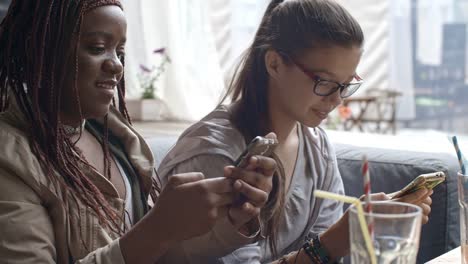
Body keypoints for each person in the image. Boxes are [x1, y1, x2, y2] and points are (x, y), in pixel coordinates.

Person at [0, 0, 276, 263]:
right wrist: (157, 230)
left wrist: (231, 219)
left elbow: (159, 254)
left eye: (120, 52)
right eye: (98, 48)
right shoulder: (10, 161)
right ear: (42, 50)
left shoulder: (117, 139)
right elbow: (148, 242)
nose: (117, 65)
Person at [158, 0, 433, 263]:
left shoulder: (317, 146)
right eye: (325, 82)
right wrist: (338, 239)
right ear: (275, 64)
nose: (337, 99)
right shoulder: (215, 156)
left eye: (347, 84)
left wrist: (369, 227)